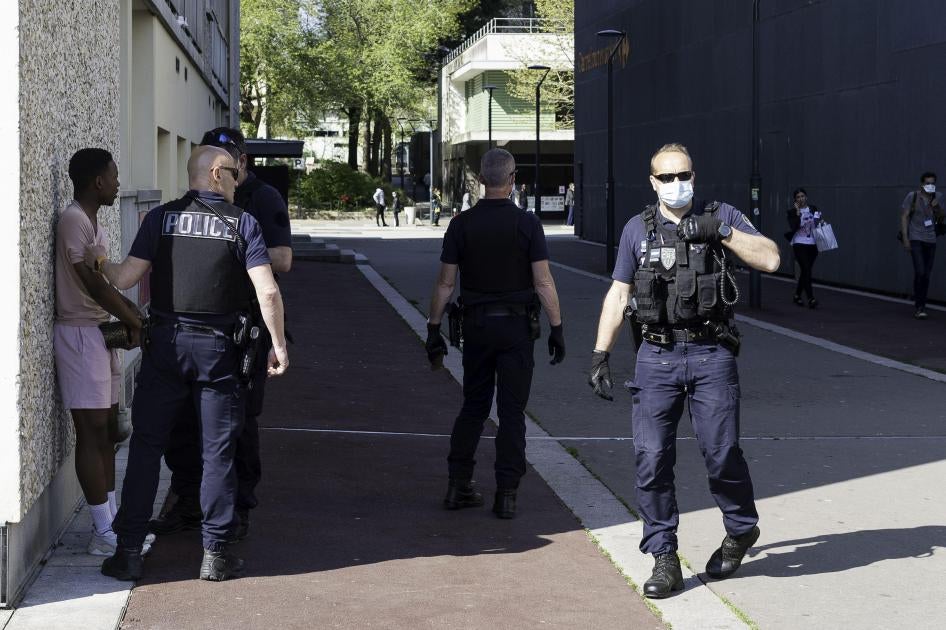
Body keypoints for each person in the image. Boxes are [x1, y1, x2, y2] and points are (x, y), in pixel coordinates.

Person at [588, 143, 780, 598]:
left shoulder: (721, 215)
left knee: (722, 453)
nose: (678, 185)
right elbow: (618, 295)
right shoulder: (638, 229)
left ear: (694, 174)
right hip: (656, 358)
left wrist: (722, 233)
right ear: (653, 182)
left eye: (684, 175)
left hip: (712, 355)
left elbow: (771, 258)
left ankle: (740, 530)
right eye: (667, 178)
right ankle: (663, 555)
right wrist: (601, 353)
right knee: (651, 458)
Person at [90, 146, 289, 582]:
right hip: (219, 350)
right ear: (217, 173)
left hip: (165, 345)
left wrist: (96, 262)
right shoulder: (243, 223)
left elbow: (124, 278)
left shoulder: (160, 219)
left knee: (146, 447)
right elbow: (268, 292)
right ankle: (215, 554)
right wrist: (278, 344)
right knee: (218, 450)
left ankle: (127, 552)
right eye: (235, 174)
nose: (239, 182)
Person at [149, 127, 293, 542]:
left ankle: (239, 509)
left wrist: (238, 242)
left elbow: (283, 259)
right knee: (182, 424)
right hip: (196, 325)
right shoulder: (190, 203)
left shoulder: (262, 200)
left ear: (241, 163)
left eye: (232, 161)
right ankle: (188, 501)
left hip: (244, 325)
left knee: (239, 424)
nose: (225, 170)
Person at [425, 148, 566, 519]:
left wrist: (433, 328)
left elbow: (444, 283)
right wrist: (557, 326)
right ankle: (507, 493)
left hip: (475, 326)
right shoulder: (528, 224)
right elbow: (544, 280)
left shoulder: (461, 225)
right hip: (517, 328)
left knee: (473, 405)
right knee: (511, 411)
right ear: (513, 178)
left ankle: (459, 485)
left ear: (482, 180)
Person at [54, 148, 149, 556]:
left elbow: (106, 284)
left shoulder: (95, 222)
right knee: (91, 433)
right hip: (78, 335)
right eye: (113, 176)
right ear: (97, 181)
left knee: (109, 432)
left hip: (100, 334)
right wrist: (136, 321)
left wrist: (129, 319)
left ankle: (109, 526)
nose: (117, 183)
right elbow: (91, 285)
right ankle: (102, 531)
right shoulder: (73, 219)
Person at [900, 171, 944, 319]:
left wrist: (936, 207)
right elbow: (905, 216)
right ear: (922, 184)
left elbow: (942, 217)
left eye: (932, 183)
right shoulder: (912, 196)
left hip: (931, 239)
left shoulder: (938, 197)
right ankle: (920, 306)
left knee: (925, 274)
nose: (930, 185)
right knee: (920, 271)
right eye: (927, 183)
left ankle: (920, 300)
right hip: (916, 237)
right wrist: (906, 238)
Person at [784, 187, 823, 308]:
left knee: (806, 271)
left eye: (802, 196)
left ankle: (797, 295)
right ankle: (811, 298)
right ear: (795, 200)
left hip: (812, 244)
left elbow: (817, 223)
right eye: (798, 197)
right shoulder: (792, 212)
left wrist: (821, 222)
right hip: (799, 243)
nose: (801, 199)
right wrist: (797, 213)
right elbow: (794, 226)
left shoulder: (813, 208)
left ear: (806, 197)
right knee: (806, 269)